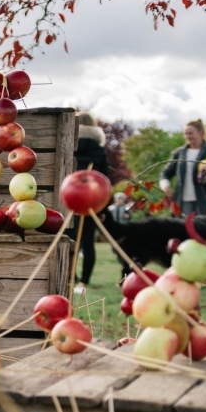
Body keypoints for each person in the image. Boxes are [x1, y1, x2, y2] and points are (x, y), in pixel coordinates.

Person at [69, 112, 111, 294]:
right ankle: (83, 282)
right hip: (91, 203)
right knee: (88, 243)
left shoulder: (70, 145)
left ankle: (72, 277)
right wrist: (104, 207)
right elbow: (105, 181)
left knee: (69, 240)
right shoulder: (99, 150)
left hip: (69, 198)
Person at [161, 119, 206, 217]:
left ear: (200, 132)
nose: (188, 136)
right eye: (186, 134)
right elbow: (165, 174)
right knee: (184, 231)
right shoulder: (179, 153)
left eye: (190, 133)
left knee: (205, 231)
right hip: (183, 203)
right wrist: (165, 186)